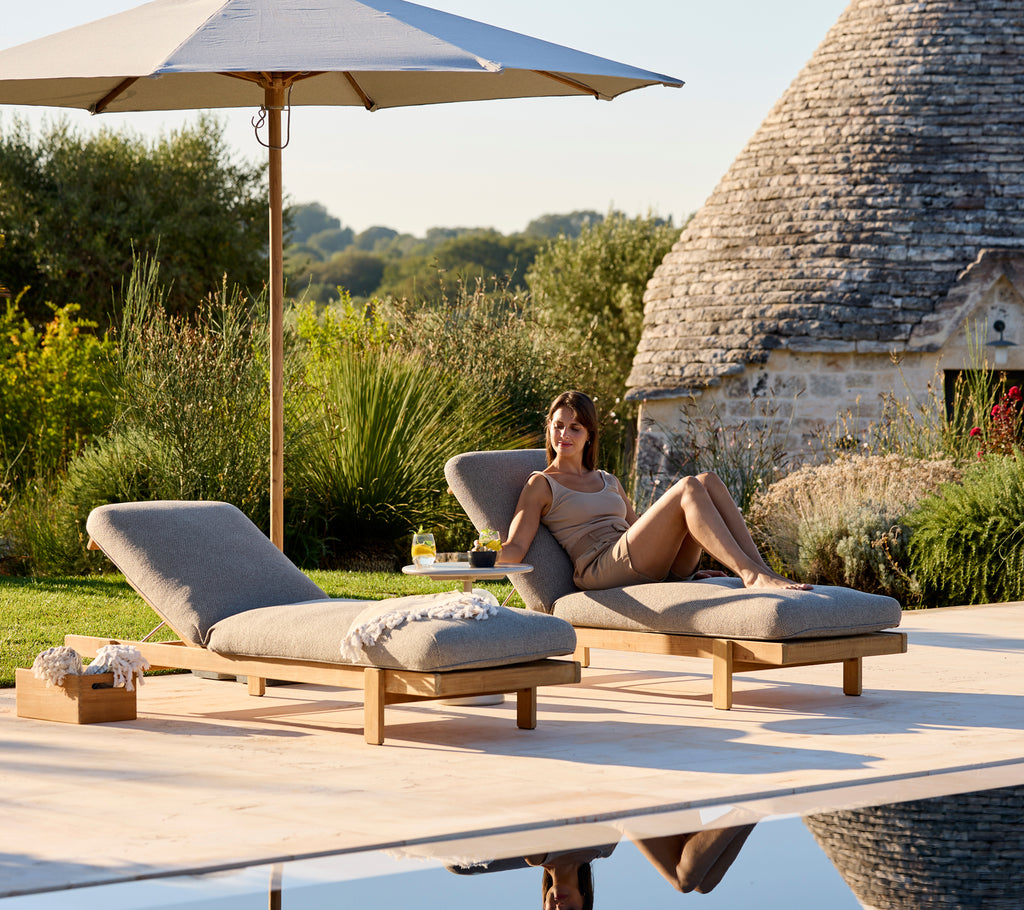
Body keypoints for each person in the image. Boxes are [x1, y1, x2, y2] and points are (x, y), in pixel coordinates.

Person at [499, 390, 810, 591]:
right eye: (557, 425)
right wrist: (482, 555)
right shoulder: (541, 484)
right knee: (687, 486)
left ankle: (761, 570)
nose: (563, 434)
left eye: (574, 427)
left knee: (707, 480)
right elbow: (515, 547)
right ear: (549, 428)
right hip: (600, 567)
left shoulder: (608, 480)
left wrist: (689, 566)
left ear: (589, 435)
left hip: (639, 560)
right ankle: (752, 576)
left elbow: (638, 531)